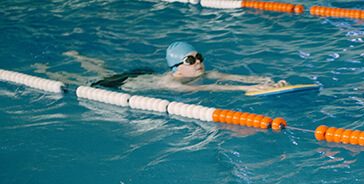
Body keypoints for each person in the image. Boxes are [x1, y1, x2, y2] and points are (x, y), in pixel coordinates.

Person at [34, 42, 286, 94]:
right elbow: (212, 88)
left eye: (199, 57)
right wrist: (255, 88)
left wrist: (265, 80)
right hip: (127, 84)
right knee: (82, 80)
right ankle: (45, 71)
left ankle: (77, 54)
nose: (198, 62)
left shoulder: (201, 72)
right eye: (190, 60)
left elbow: (228, 77)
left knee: (101, 68)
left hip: (143, 75)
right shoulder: (173, 83)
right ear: (177, 67)